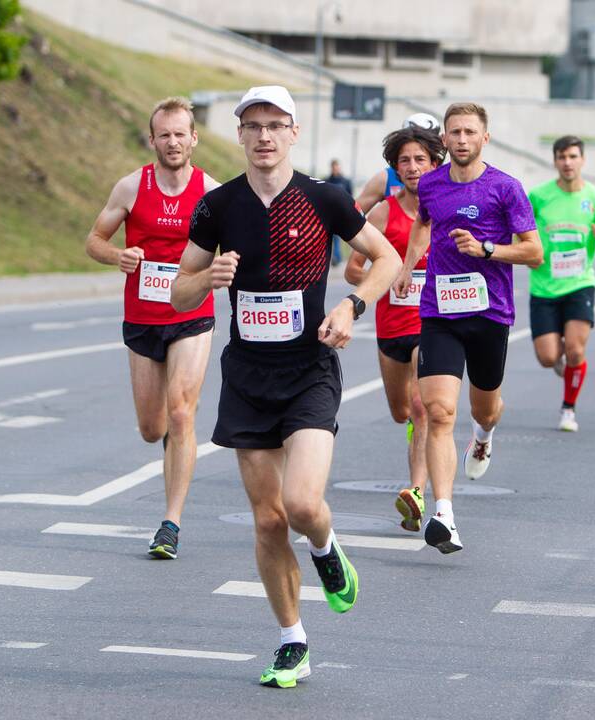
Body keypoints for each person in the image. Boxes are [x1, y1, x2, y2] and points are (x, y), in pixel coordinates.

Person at [171, 86, 400, 689]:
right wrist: (207, 280)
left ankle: (326, 549)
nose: (265, 136)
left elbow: (388, 260)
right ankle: (292, 639)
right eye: (254, 125)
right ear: (240, 135)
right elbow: (178, 290)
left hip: (309, 370)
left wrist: (352, 307)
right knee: (269, 521)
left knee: (301, 505)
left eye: (276, 125)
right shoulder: (217, 206)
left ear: (294, 132)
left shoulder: (325, 199)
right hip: (247, 376)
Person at [393, 102, 542, 553]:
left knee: (485, 408)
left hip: (489, 313)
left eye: (469, 132)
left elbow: (534, 252)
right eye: (454, 132)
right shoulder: (431, 184)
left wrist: (486, 249)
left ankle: (483, 436)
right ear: (446, 139)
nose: (461, 139)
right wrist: (407, 265)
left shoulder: (506, 188)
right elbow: (423, 224)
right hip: (439, 311)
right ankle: (444, 515)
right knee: (437, 413)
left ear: (484, 138)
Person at [85, 96, 221, 559]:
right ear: (153, 140)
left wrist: (220, 268)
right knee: (151, 427)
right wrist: (117, 256)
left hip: (192, 315)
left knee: (182, 411)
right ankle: (170, 441)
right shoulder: (130, 187)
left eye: (181, 133)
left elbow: (239, 242)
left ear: (193, 138)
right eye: (164, 134)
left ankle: (171, 523)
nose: (173, 141)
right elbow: (94, 240)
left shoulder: (210, 191)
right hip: (143, 318)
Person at [345, 126, 446, 532]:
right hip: (391, 327)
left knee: (423, 407)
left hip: (433, 324)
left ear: (434, 163)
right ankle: (414, 436)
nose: (412, 167)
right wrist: (382, 281)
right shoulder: (383, 213)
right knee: (401, 410)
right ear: (395, 167)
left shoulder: (445, 208)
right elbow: (354, 268)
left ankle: (417, 491)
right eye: (404, 160)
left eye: (420, 159)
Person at [527, 135, 595, 432]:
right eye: (562, 157)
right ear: (555, 161)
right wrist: (529, 253)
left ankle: (568, 409)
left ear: (582, 160)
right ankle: (560, 359)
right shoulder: (538, 197)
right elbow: (520, 233)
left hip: (580, 283)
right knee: (548, 357)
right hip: (543, 286)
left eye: (573, 156)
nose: (567, 162)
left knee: (576, 351)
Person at [355, 113, 441, 214]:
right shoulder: (385, 178)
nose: (413, 168)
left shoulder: (449, 176)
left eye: (426, 138)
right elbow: (350, 218)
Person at [325, 159, 354, 266]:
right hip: (328, 214)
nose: (335, 168)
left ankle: (337, 258)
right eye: (333, 167)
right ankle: (332, 258)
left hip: (340, 214)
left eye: (336, 166)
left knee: (338, 238)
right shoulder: (327, 180)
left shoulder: (345, 182)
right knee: (329, 238)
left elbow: (350, 197)